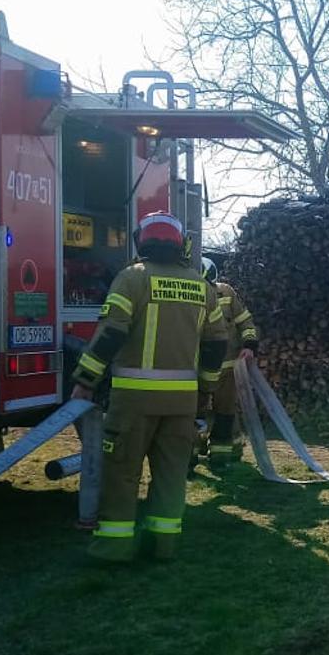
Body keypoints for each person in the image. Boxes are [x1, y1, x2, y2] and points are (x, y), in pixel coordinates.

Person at [69, 211, 229, 562]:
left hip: (133, 401)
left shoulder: (132, 278)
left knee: (122, 473)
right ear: (180, 245)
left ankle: (113, 547)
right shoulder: (202, 287)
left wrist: (84, 381)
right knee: (171, 476)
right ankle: (162, 545)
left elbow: (111, 333)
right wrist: (206, 389)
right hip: (183, 403)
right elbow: (217, 343)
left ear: (142, 241)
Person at [198, 257, 261, 466]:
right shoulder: (190, 295)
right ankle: (190, 457)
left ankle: (221, 457)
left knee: (225, 413)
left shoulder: (226, 292)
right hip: (198, 370)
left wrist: (249, 345)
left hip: (227, 370)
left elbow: (245, 322)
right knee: (193, 414)